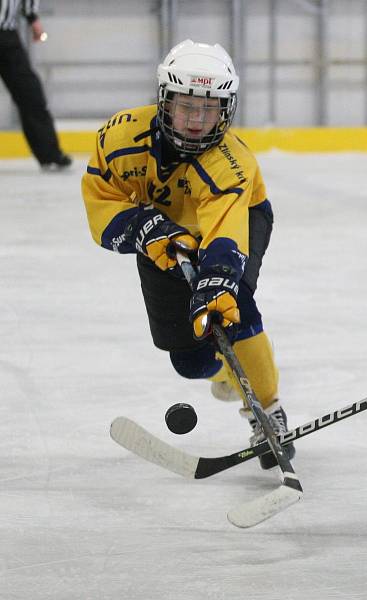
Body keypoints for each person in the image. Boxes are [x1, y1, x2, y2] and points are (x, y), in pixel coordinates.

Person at [81, 39, 292, 469]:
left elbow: (226, 233)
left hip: (238, 220)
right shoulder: (119, 138)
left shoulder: (231, 163)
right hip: (163, 236)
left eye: (209, 109)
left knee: (233, 307)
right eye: (186, 106)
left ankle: (268, 413)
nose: (196, 121)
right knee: (189, 360)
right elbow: (101, 205)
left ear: (226, 110)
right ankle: (226, 374)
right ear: (165, 100)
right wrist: (141, 226)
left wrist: (217, 278)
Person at [0, 0, 71, 170]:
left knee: (31, 94)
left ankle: (50, 155)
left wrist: (33, 18)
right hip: (8, 36)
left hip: (7, 35)